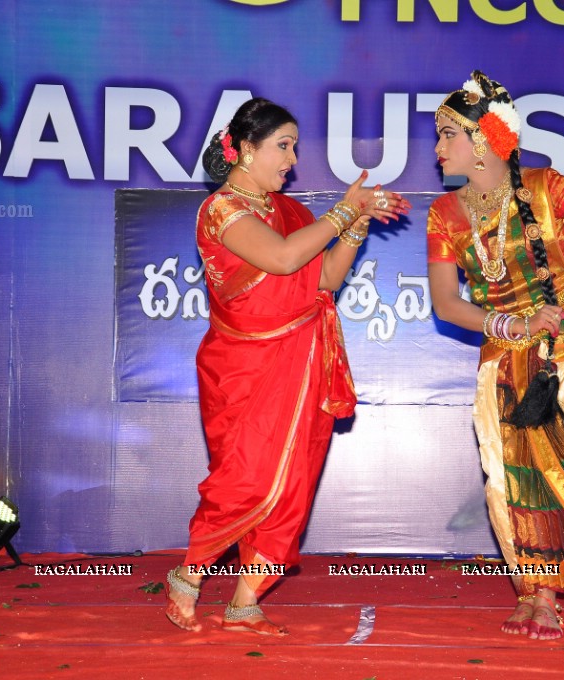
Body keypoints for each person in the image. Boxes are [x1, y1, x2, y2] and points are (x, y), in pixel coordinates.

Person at [165, 97, 410, 636]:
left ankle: (245, 601)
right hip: (245, 366)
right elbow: (282, 259)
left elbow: (323, 279)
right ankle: (189, 575)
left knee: (294, 481)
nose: (292, 159)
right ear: (246, 149)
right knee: (246, 478)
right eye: (283, 146)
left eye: (293, 147)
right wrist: (344, 209)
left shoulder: (291, 213)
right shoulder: (223, 210)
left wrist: (356, 225)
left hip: (302, 362)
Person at [426, 72, 564, 641]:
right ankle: (533, 589)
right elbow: (446, 304)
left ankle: (546, 593)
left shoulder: (546, 187)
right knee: (502, 480)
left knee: (555, 469)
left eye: (446, 134)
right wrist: (512, 323)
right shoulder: (444, 215)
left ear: (481, 139)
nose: (436, 149)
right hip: (501, 358)